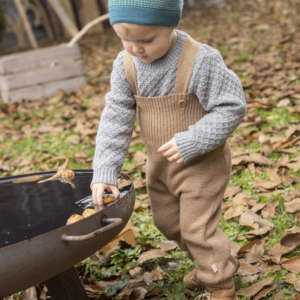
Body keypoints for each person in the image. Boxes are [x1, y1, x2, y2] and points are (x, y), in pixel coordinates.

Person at [91, 1, 246, 299]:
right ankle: (210, 263)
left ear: (171, 24)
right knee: (167, 223)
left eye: (146, 40)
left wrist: (195, 139)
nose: (135, 49)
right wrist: (105, 169)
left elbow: (231, 106)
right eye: (125, 39)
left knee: (195, 229)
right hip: (161, 165)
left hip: (202, 162)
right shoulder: (125, 65)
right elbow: (116, 117)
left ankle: (221, 284)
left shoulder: (200, 60)